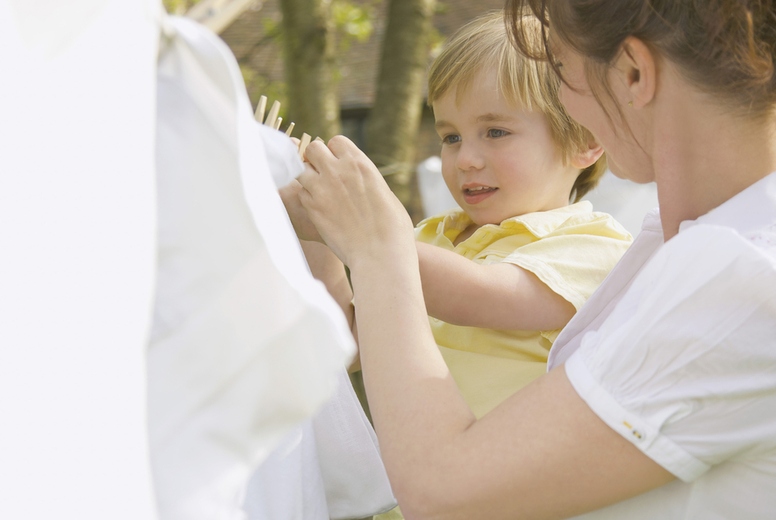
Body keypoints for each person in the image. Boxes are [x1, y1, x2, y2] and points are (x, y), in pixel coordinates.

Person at [294, 1, 776, 518]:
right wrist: (325, 241)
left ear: (634, 73)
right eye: (451, 135)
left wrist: (373, 244)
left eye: (564, 70)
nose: (567, 99)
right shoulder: (688, 247)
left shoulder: (739, 274)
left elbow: (446, 488)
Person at [285, 11, 632, 422]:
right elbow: (348, 345)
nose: (465, 159)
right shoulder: (427, 239)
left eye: (496, 132)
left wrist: (362, 233)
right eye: (451, 137)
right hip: (413, 473)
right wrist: (314, 231)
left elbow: (483, 296)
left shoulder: (595, 245)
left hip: (513, 477)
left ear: (585, 139)